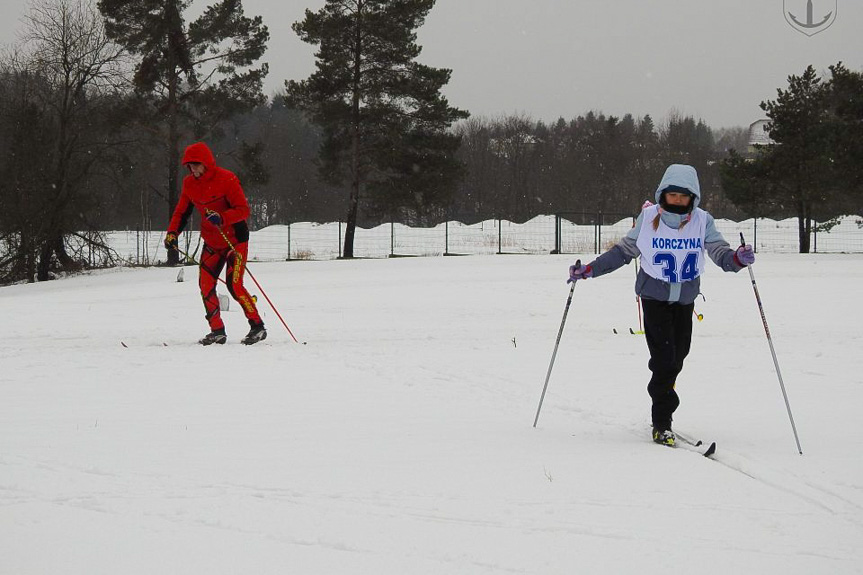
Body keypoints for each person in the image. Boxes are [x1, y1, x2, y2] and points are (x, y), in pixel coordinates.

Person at [567, 164, 755, 446]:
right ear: (662, 194)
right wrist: (591, 269)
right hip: (654, 298)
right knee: (665, 361)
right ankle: (662, 421)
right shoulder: (649, 218)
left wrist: (738, 259)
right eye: (672, 195)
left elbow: (719, 252)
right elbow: (623, 252)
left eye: (683, 196)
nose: (677, 200)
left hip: (684, 301)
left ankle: (663, 400)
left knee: (678, 357)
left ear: (693, 197)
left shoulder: (703, 220)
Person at [164, 142, 267, 346]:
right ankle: (217, 330)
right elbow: (181, 212)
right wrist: (172, 233)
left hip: (235, 241)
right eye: (189, 166)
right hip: (212, 242)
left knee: (234, 285)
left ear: (206, 164)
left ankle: (257, 326)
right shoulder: (189, 184)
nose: (192, 170)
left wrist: (222, 217)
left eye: (195, 165)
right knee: (205, 285)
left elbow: (243, 210)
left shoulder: (227, 178)